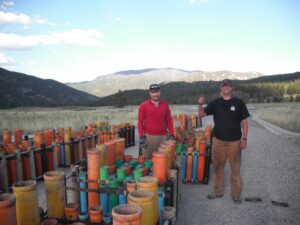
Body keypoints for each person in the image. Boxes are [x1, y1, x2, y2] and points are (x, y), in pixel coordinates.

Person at [198, 79, 250, 203]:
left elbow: (244, 122)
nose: (226, 88)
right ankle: (217, 192)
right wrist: (200, 104)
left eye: (228, 86)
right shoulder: (216, 103)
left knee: (235, 170)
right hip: (218, 142)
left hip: (235, 143)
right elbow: (202, 115)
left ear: (231, 88)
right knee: (217, 168)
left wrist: (244, 138)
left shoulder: (239, 103)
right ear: (221, 89)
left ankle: (236, 195)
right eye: (224, 86)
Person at [138, 84, 175, 159]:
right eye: (153, 92)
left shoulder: (165, 105)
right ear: (150, 93)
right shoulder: (143, 105)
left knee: (162, 161)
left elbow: (169, 121)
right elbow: (140, 122)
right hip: (148, 138)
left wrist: (171, 134)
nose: (155, 94)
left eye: (157, 92)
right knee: (146, 159)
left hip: (163, 138)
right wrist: (141, 136)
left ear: (160, 92)